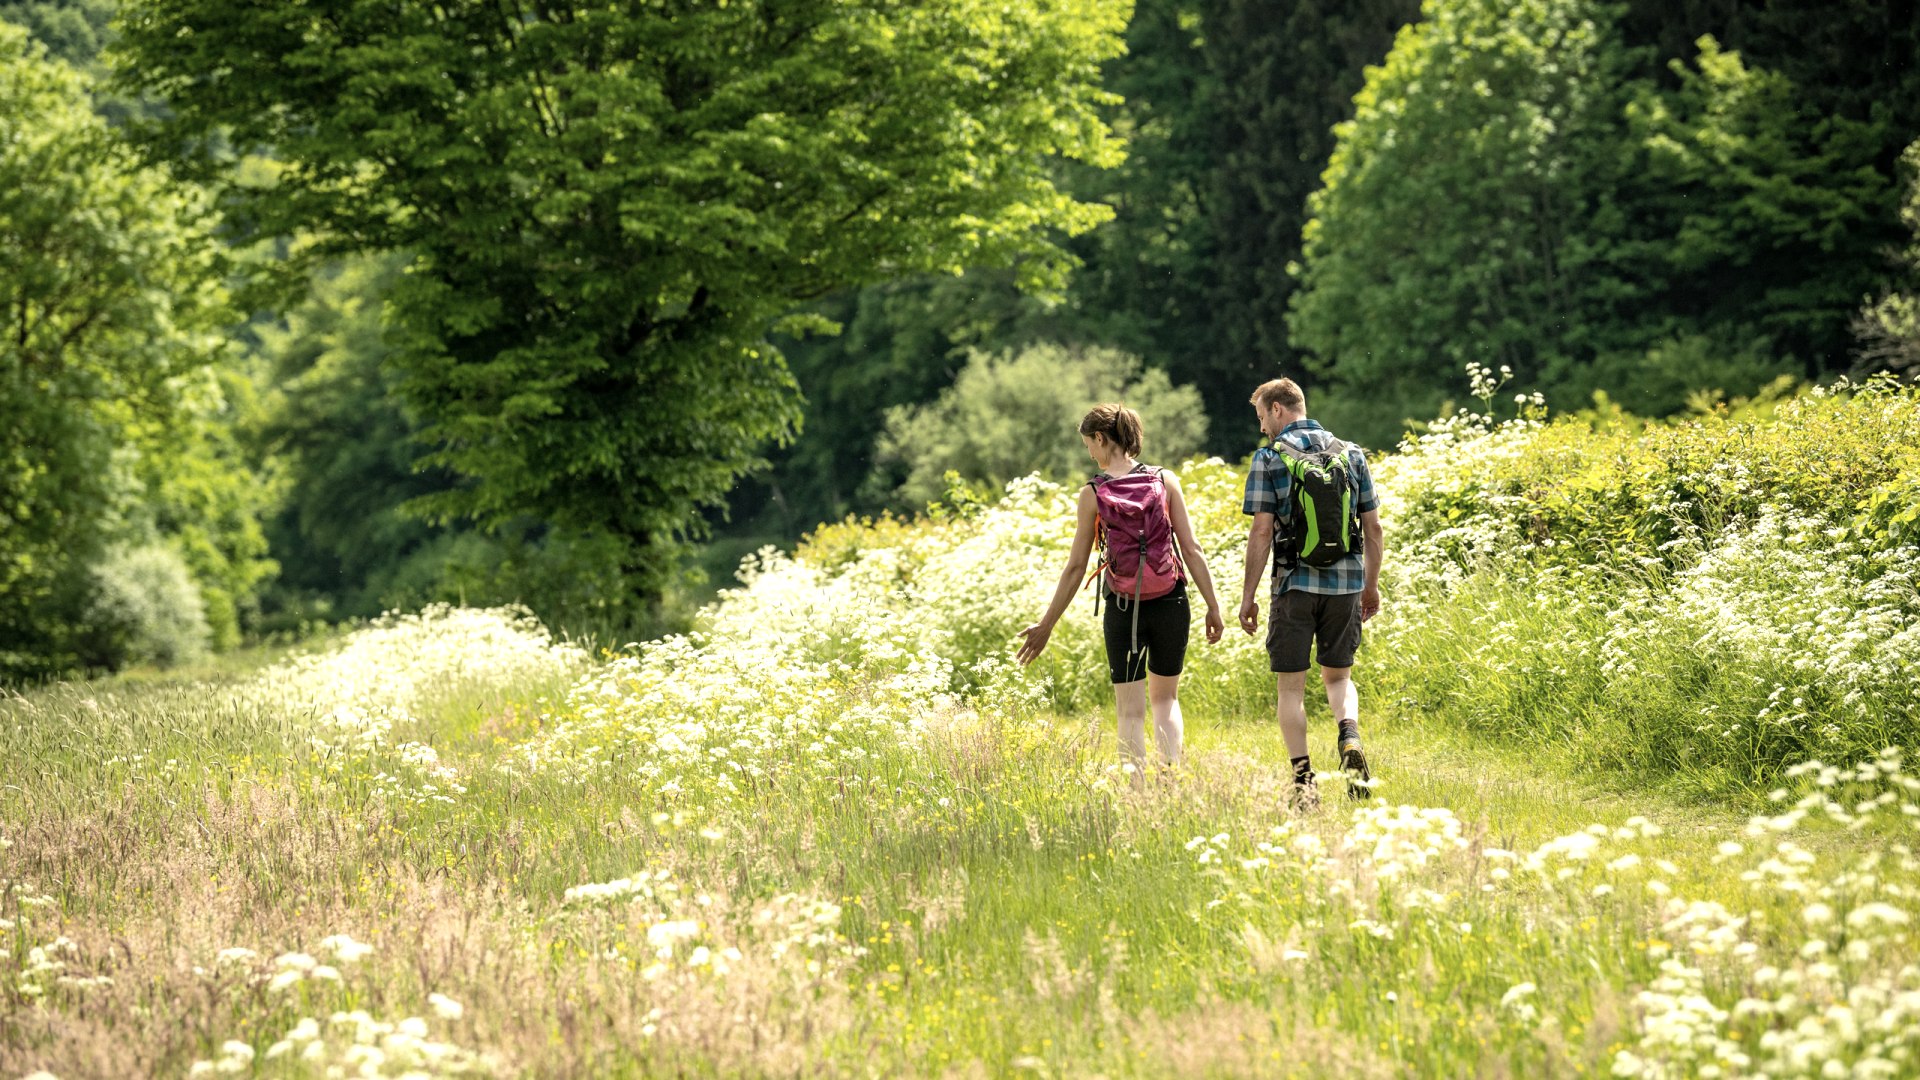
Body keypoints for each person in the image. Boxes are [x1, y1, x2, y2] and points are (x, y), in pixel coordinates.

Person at [1016, 403, 1226, 784]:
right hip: (1171, 601)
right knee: (1166, 700)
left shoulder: (1093, 493)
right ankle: (1171, 780)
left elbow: (1076, 567)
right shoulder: (1165, 481)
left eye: (1088, 445)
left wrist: (1047, 624)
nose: (1090, 454)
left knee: (1130, 712)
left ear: (1101, 438)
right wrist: (1214, 606)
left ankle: (1136, 794)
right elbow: (1192, 549)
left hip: (1124, 607)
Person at [1237, 378, 1383, 808]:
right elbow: (1372, 528)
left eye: (1263, 415)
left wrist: (1248, 596)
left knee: (1291, 689)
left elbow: (1262, 531)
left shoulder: (1269, 459)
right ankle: (1350, 735)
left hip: (1293, 585)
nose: (1262, 426)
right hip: (1346, 587)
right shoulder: (1352, 453)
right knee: (1339, 677)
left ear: (1279, 409)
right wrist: (1369, 585)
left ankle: (1304, 784)